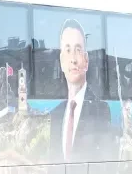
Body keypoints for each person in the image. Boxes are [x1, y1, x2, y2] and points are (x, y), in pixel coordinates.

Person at [48, 19, 114, 162]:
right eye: (68, 50)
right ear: (61, 61)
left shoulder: (101, 110)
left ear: (86, 60)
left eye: (78, 50)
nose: (73, 59)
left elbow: (105, 165)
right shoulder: (55, 115)